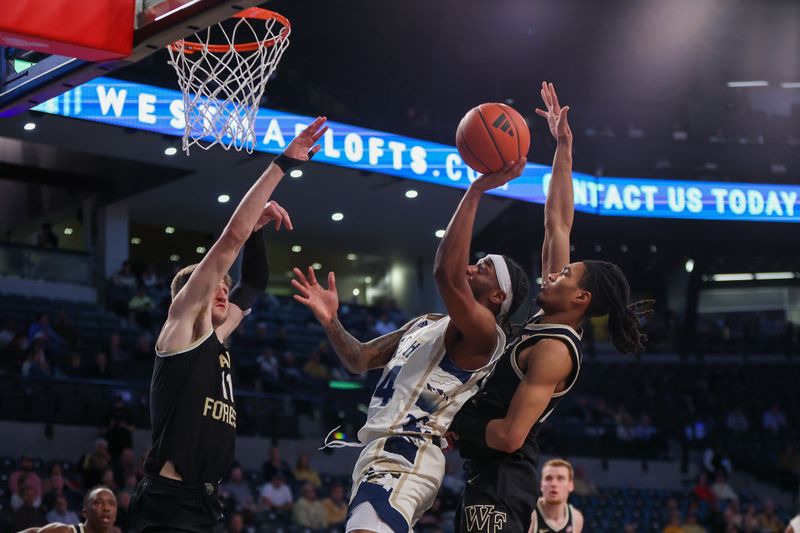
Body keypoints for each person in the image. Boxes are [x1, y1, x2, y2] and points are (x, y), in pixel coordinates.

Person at [292, 149, 530, 531]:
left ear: (498, 297)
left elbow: (445, 274)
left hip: (408, 449)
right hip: (377, 450)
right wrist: (331, 321)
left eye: (483, 268)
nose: (472, 266)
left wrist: (475, 190)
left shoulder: (486, 333)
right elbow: (359, 358)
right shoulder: (427, 322)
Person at [451, 82, 648, 533]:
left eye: (565, 275)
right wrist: (562, 147)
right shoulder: (550, 315)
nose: (552, 273)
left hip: (504, 480)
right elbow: (557, 220)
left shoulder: (556, 349)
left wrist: (453, 420)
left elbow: (509, 436)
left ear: (581, 300)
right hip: (487, 476)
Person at [128, 117, 327, 533]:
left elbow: (253, 283)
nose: (224, 292)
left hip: (204, 501)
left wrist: (257, 234)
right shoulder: (181, 328)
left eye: (224, 287)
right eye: (216, 286)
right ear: (191, 295)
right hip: (169, 502)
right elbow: (229, 240)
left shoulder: (217, 335)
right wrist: (283, 164)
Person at [19, 486, 118, 533]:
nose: (106, 508)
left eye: (111, 504)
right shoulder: (65, 532)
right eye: (99, 503)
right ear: (85, 512)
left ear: (115, 516)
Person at [527, 459, 584, 533]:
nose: (553, 484)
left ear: (571, 485)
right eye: (548, 478)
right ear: (541, 485)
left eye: (560, 478)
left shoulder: (576, 518)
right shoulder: (530, 514)